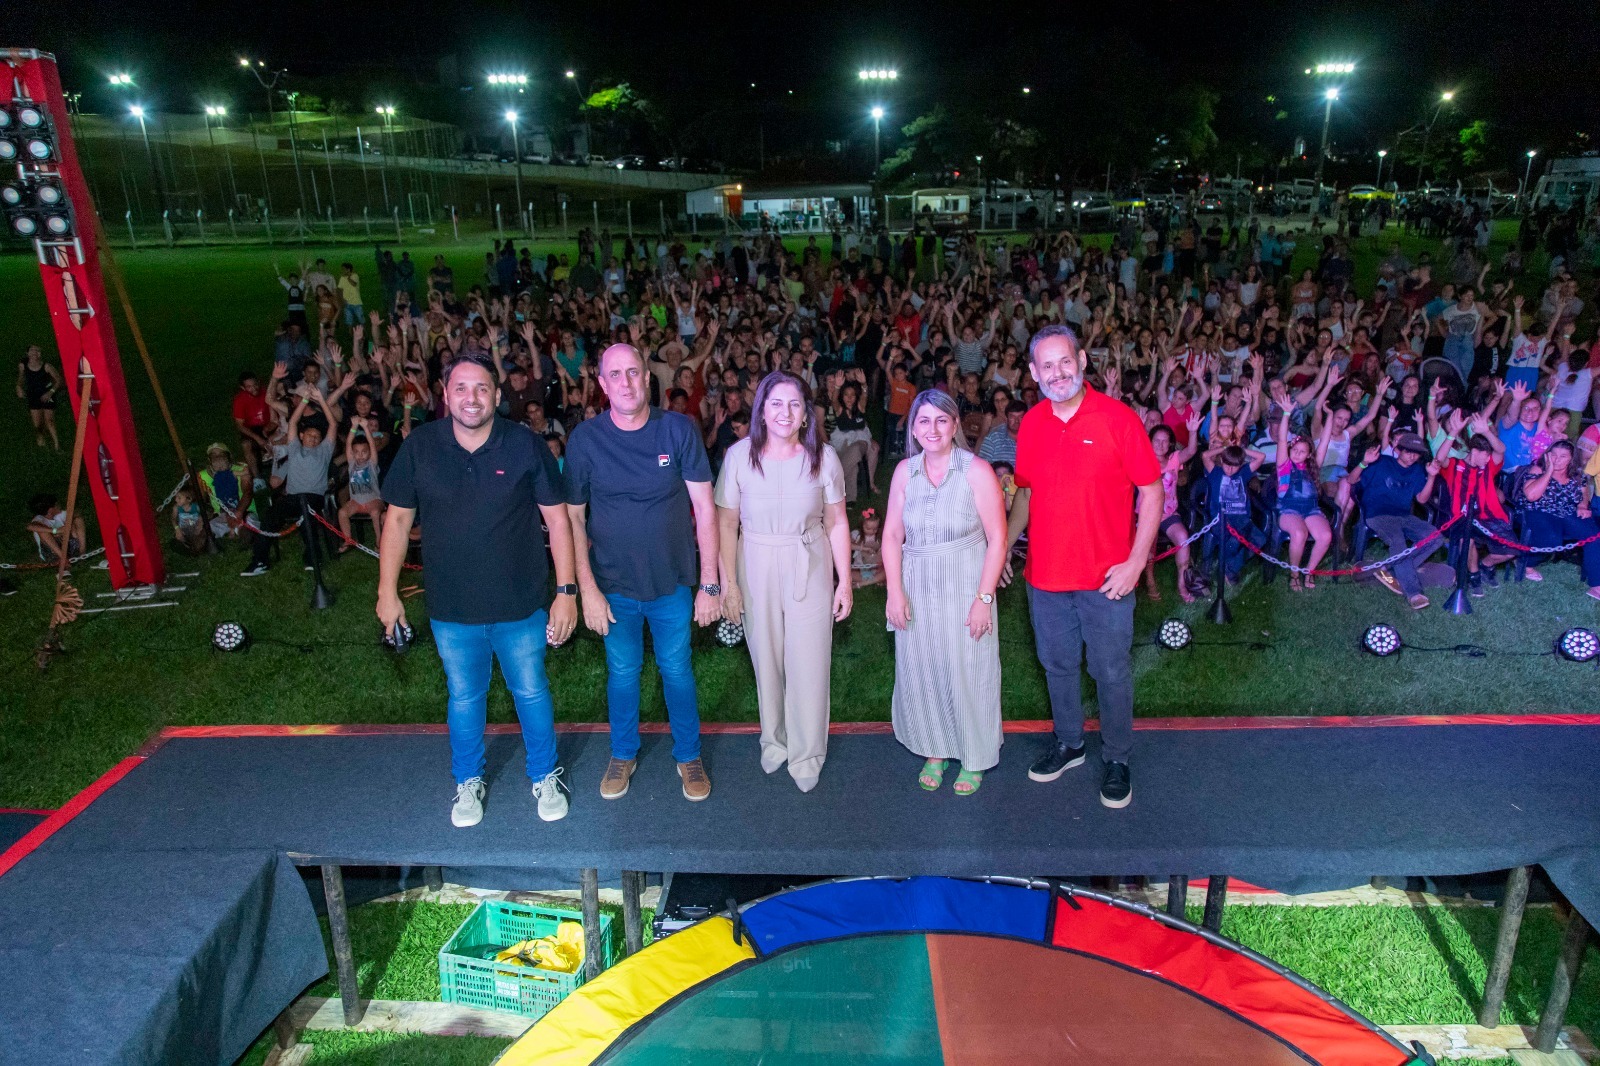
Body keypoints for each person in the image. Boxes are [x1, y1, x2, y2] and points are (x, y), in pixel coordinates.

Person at [377, 352, 579, 827]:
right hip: (451, 607)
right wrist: (388, 592)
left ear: (497, 395)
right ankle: (468, 781)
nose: (472, 398)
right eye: (462, 388)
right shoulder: (421, 447)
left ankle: (545, 774)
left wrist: (566, 590)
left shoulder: (525, 445)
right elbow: (397, 521)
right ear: (445, 395)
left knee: (531, 691)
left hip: (520, 603)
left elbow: (558, 518)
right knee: (464, 697)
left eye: (482, 388)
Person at [1006, 324, 1162, 810]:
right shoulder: (1031, 423)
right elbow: (1027, 493)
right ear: (1033, 373)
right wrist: (1003, 550)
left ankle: (1116, 757)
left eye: (1065, 361)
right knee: (1056, 665)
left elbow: (1152, 490)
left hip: (1105, 579)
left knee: (1110, 670)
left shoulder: (1118, 419)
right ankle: (1070, 743)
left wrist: (1136, 561)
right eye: (1046, 366)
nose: (1058, 373)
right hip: (1045, 577)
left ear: (1083, 360)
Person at [566, 342, 721, 804]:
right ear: (602, 384)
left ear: (647, 378)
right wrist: (585, 591)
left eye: (634, 373)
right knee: (622, 671)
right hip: (612, 586)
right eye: (616, 375)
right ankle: (622, 752)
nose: (627, 383)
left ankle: (688, 755)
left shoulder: (677, 429)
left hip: (671, 582)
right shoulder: (585, 440)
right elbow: (572, 518)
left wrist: (709, 584)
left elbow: (705, 509)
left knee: (677, 670)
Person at [715, 371, 852, 792]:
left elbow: (838, 521)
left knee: (809, 661)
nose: (785, 412)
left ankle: (808, 752)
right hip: (754, 561)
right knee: (766, 659)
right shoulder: (739, 457)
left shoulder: (823, 458)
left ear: (806, 414)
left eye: (795, 404)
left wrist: (844, 581)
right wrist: (728, 585)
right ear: (761, 410)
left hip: (808, 560)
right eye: (775, 403)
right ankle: (774, 741)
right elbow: (725, 523)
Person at [883, 389, 1008, 795]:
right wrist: (894, 592)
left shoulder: (976, 471)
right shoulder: (905, 472)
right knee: (924, 668)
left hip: (965, 583)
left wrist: (983, 598)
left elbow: (998, 539)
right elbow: (890, 536)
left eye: (941, 420)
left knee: (970, 669)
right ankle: (934, 748)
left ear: (955, 425)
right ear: (913, 429)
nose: (932, 428)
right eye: (924, 421)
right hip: (917, 583)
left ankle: (974, 755)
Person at [1347, 431, 1440, 611]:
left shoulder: (1418, 470)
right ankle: (1413, 592)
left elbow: (1421, 499)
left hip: (1403, 515)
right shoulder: (1381, 462)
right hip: (1378, 514)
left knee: (1434, 537)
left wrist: (1432, 476)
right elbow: (1351, 480)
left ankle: (1388, 570)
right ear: (1397, 449)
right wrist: (1364, 462)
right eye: (1408, 451)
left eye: (1417, 452)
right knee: (1398, 542)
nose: (1413, 456)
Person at [17, 344, 62, 451]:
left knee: (49, 420)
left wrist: (50, 393)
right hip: (33, 395)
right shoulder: (23, 365)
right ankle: (41, 443)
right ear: (27, 354)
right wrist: (18, 386)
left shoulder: (46, 366)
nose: (33, 353)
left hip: (47, 394)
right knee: (38, 424)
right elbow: (21, 378)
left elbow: (58, 380)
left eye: (36, 351)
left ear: (39, 354)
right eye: (31, 351)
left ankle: (57, 445)